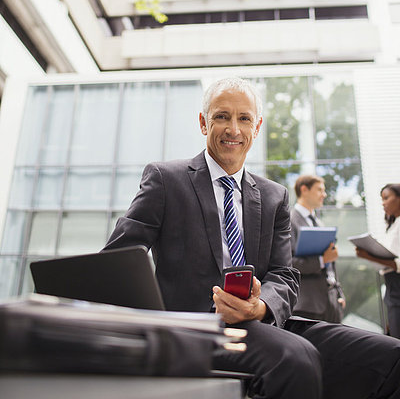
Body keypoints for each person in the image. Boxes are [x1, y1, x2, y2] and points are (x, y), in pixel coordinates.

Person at [103, 78, 400, 399]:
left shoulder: (274, 196)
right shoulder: (166, 179)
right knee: (294, 358)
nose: (234, 129)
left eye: (244, 118)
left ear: (256, 127)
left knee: (390, 357)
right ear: (203, 123)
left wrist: (260, 306)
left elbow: (284, 276)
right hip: (197, 329)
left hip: (264, 321)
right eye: (221, 117)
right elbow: (117, 262)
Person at [290, 175, 345, 323]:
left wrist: (339, 293)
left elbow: (330, 263)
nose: (324, 194)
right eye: (319, 190)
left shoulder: (319, 222)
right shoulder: (289, 221)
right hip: (308, 305)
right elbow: (289, 263)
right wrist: (322, 260)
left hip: (331, 302)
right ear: (304, 190)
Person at [355, 183, 400, 339]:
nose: (383, 203)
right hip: (392, 286)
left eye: (386, 198)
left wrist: (369, 256)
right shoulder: (393, 225)